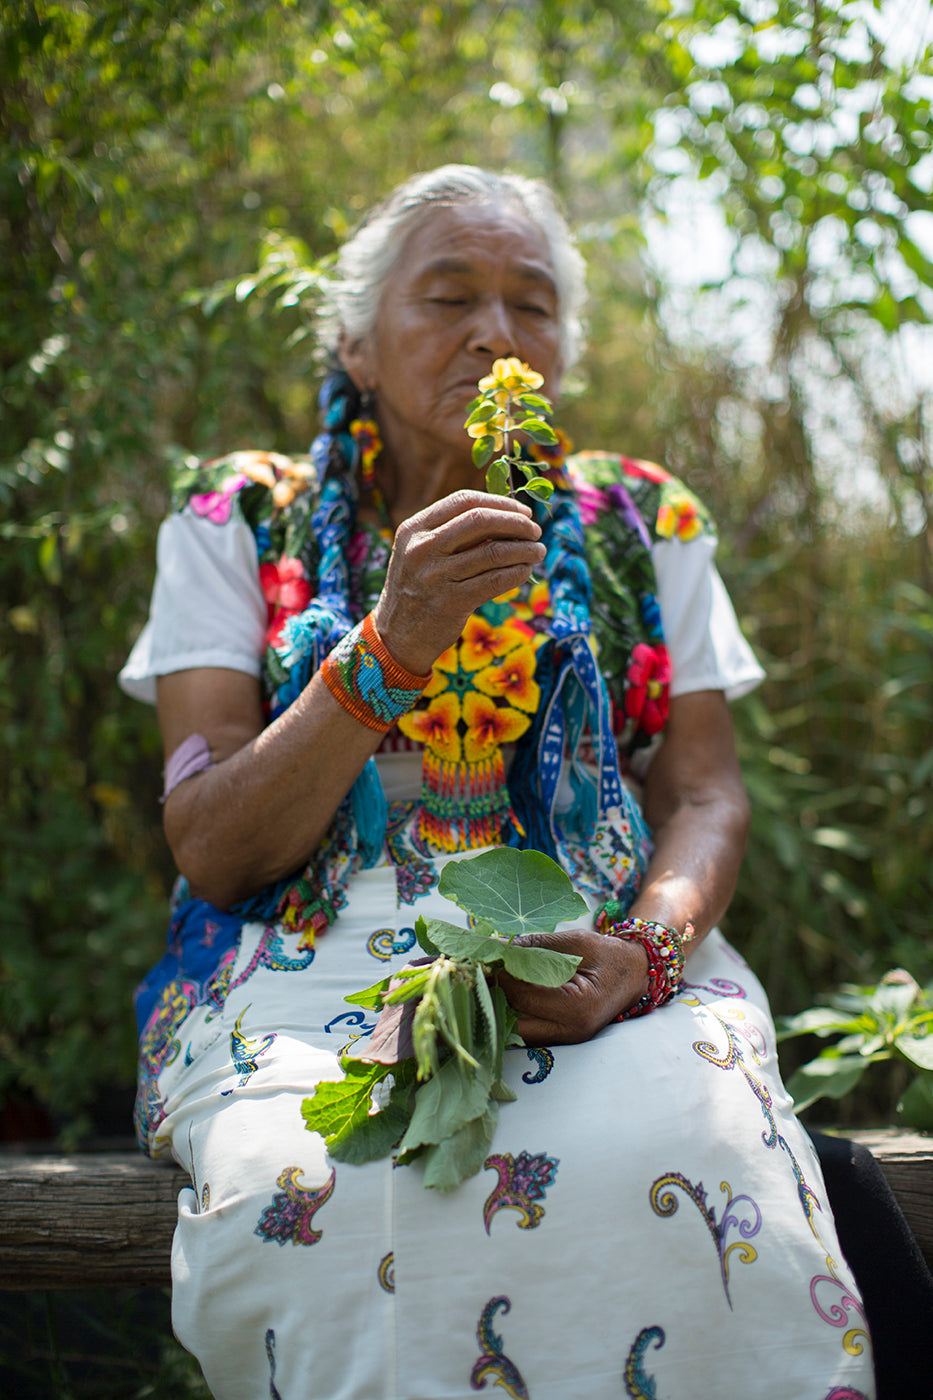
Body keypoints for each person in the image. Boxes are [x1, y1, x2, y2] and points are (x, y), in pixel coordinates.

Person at [120, 165, 878, 1399]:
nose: (495, 332)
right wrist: (391, 643)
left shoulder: (642, 521)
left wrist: (648, 947)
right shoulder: (239, 517)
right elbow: (214, 845)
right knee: (324, 1185)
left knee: (688, 1146)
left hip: (591, 941)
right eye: (449, 297)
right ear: (359, 345)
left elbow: (705, 795)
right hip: (307, 954)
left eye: (532, 305)